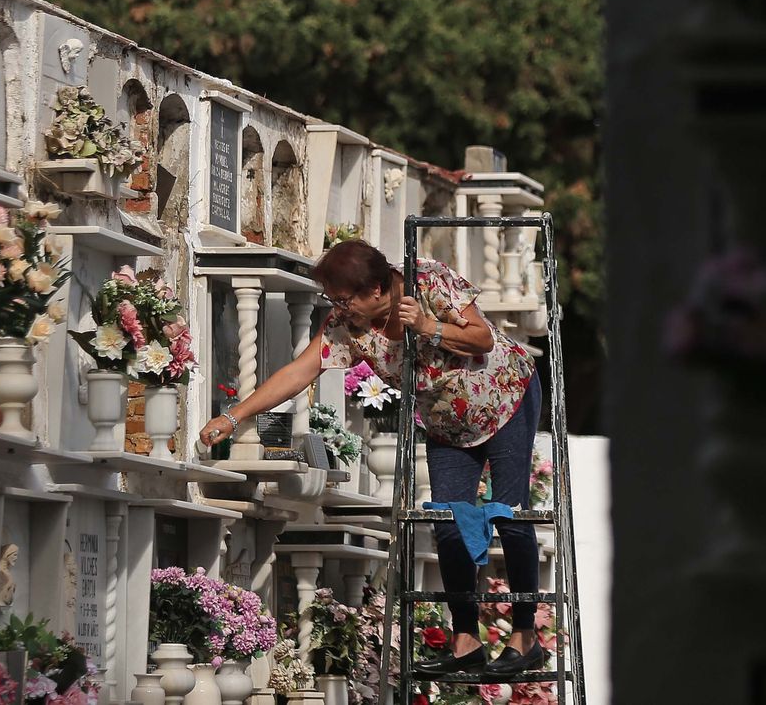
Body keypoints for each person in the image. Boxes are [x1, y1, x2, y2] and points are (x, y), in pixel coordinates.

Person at [197, 239, 546, 677]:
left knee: (509, 515)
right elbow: (299, 371)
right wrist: (234, 416)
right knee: (448, 523)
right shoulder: (349, 324)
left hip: (505, 397)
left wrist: (428, 326)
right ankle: (465, 640)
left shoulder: (426, 280)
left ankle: (525, 635)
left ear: (377, 289)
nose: (339, 308)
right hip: (447, 422)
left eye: (344, 299)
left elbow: (481, 337)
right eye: (334, 299)